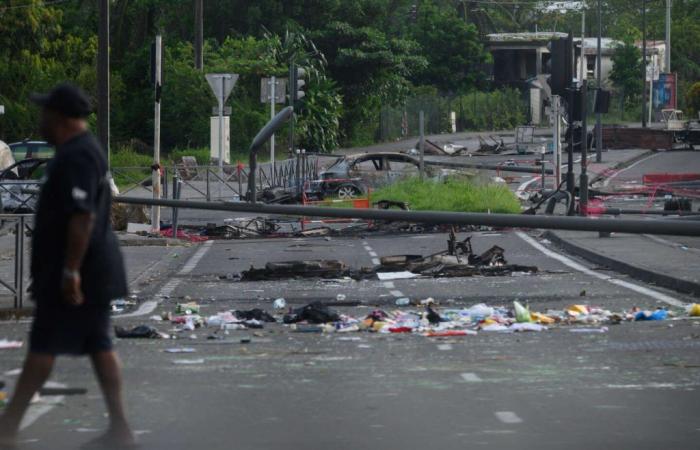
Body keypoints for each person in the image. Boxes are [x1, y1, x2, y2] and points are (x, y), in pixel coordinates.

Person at [0, 83, 135, 448]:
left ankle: (8, 428)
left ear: (59, 117)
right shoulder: (80, 150)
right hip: (88, 269)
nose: (41, 119)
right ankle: (120, 429)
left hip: (78, 272)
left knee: (43, 345)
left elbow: (81, 216)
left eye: (45, 112)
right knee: (99, 342)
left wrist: (70, 271)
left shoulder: (78, 155)